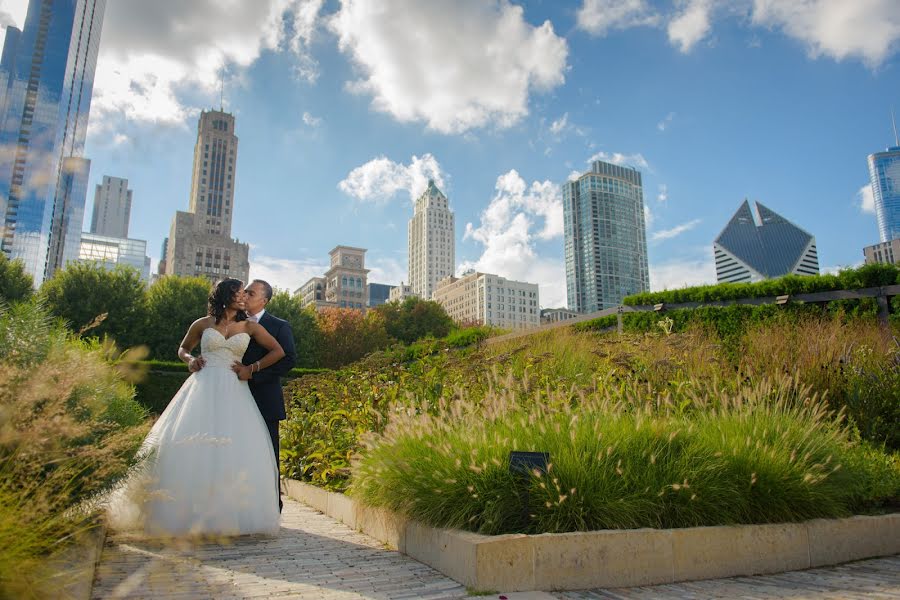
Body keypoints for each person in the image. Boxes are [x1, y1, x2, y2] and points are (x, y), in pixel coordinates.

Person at [107, 279, 284, 536]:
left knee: (233, 449)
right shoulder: (202, 324)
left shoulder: (251, 326)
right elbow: (182, 348)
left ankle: (228, 516)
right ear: (225, 296)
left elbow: (277, 351)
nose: (243, 296)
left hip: (235, 391)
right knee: (191, 447)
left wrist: (251, 368)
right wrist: (190, 360)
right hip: (202, 386)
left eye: (245, 293)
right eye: (237, 292)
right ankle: (183, 513)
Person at [232, 279, 297, 512]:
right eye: (245, 292)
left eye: (251, 293)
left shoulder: (279, 326)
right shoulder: (232, 321)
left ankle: (270, 508)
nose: (245, 295)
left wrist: (254, 374)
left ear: (264, 300)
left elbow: (288, 359)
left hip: (265, 399)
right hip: (233, 398)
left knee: (268, 454)